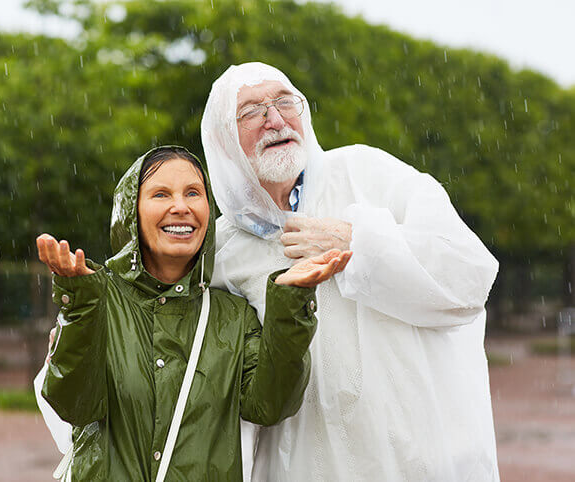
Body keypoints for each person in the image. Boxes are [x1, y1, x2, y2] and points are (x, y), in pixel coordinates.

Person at [200, 62, 500, 481]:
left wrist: (355, 243)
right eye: (251, 111)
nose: (275, 119)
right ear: (222, 139)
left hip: (420, 462)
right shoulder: (221, 251)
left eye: (286, 102)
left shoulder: (368, 175)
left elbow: (469, 277)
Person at [34, 146, 351, 480]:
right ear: (131, 212)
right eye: (160, 194)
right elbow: (75, 404)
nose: (181, 207)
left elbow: (270, 405)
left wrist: (290, 304)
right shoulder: (97, 300)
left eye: (193, 193)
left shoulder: (233, 316)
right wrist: (80, 306)